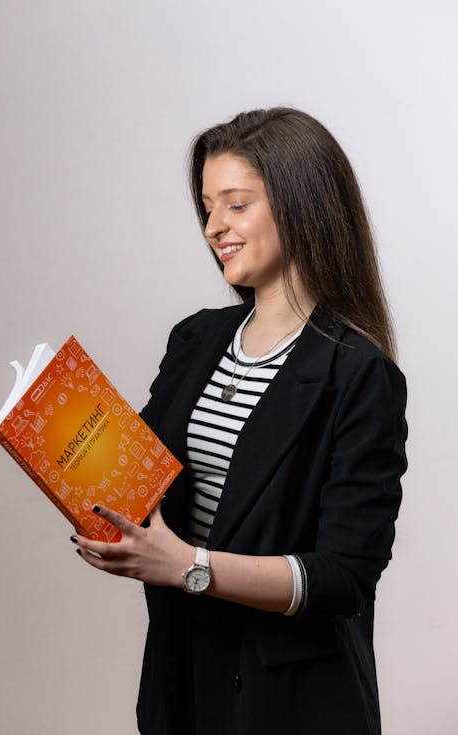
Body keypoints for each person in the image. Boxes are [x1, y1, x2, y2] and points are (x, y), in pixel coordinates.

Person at [72, 107, 408, 735]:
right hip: (182, 678)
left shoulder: (360, 374)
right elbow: (146, 481)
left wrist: (188, 566)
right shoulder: (195, 339)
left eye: (235, 204)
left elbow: (344, 577)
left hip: (292, 701)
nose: (213, 227)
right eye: (207, 207)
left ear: (301, 205)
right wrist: (72, 463)